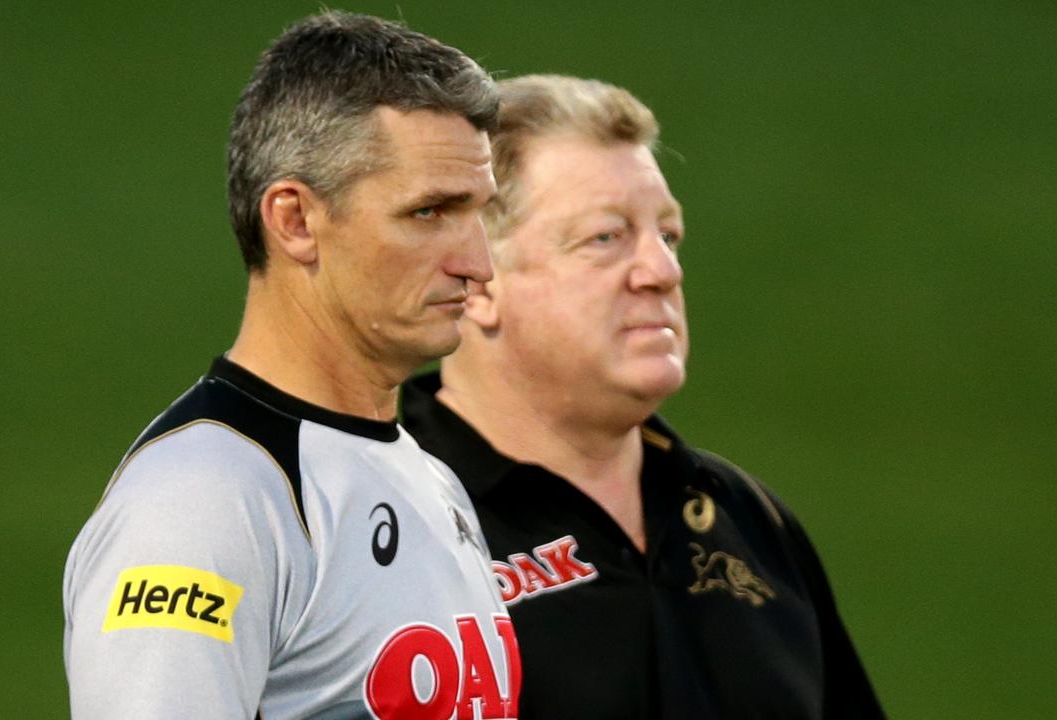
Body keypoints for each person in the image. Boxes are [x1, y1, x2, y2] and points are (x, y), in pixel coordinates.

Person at [63, 13, 522, 719]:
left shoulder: (432, 483)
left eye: (478, 215)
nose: (478, 265)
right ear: (296, 221)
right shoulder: (202, 505)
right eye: (430, 211)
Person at [401, 75, 885, 718]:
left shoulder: (748, 520)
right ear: (480, 281)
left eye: (668, 235)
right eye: (607, 237)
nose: (662, 271)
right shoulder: (379, 525)